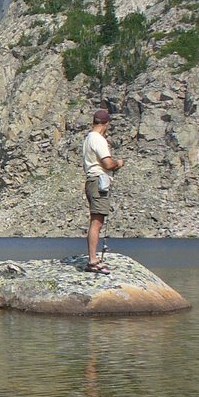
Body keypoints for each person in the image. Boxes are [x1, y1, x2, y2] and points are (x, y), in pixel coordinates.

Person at [83, 109, 124, 274]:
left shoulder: (88, 138)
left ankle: (93, 258)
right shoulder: (98, 139)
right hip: (98, 181)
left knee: (96, 220)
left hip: (92, 180)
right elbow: (107, 164)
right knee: (97, 222)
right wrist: (118, 163)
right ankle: (93, 261)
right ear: (106, 124)